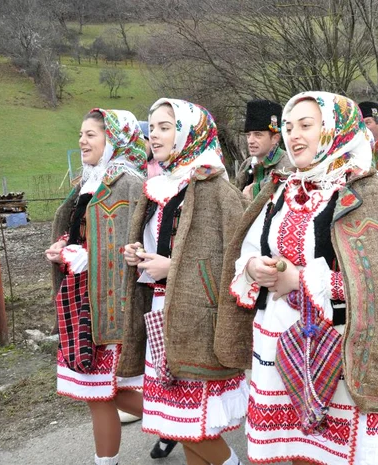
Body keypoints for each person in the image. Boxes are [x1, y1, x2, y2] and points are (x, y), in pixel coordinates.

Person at [215, 91, 378, 465]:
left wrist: (302, 280)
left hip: (339, 344)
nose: (294, 135)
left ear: (335, 130)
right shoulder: (279, 189)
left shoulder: (370, 195)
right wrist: (253, 268)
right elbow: (248, 248)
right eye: (289, 127)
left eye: (307, 125)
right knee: (295, 450)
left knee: (335, 455)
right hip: (277, 338)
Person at [119, 99, 248, 465]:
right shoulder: (160, 185)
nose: (154, 135)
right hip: (160, 313)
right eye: (152, 127)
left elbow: (234, 262)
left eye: (164, 126)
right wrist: (138, 256)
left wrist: (171, 267)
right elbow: (162, 246)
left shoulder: (218, 190)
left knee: (192, 425)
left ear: (190, 132)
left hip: (196, 323)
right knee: (180, 425)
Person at [46, 109, 157, 465]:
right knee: (98, 393)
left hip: (109, 301)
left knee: (102, 392)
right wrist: (63, 245)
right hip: (80, 295)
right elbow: (79, 227)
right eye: (81, 134)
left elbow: (137, 242)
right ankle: (170, 420)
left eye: (91, 135)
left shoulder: (129, 183)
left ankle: (174, 421)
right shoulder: (85, 183)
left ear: (115, 139)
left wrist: (90, 257)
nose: (82, 141)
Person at [236, 99, 292, 199]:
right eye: (248, 135)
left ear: (275, 138)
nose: (250, 140)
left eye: (258, 135)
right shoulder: (246, 164)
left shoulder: (287, 166)